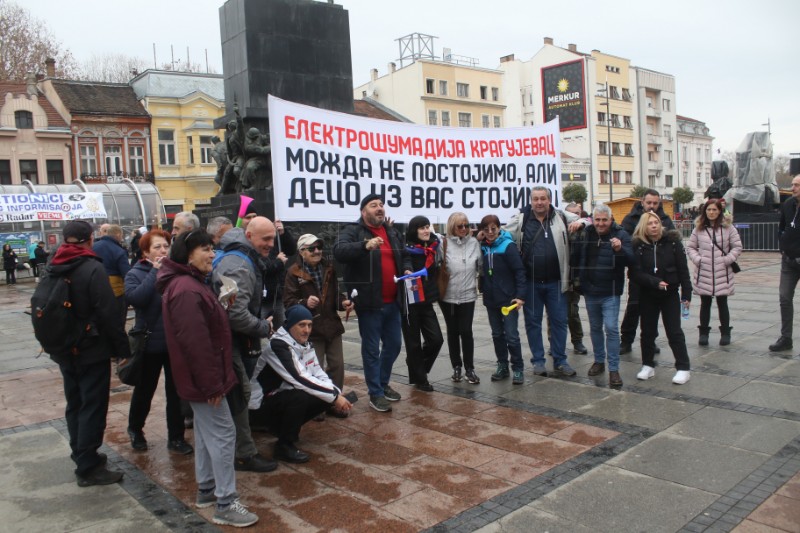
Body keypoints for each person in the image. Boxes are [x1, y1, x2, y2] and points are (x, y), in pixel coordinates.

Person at [157, 230, 259, 528]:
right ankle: (226, 502)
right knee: (224, 434)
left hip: (200, 379)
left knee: (205, 434)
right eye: (206, 250)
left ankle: (206, 491)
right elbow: (196, 344)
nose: (212, 255)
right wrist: (213, 385)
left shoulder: (189, 284)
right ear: (188, 254)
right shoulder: (187, 289)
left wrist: (222, 306)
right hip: (205, 380)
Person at [47, 220, 130, 486]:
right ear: (90, 239)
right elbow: (108, 313)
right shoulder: (92, 268)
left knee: (75, 402)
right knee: (93, 405)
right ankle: (88, 465)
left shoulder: (54, 265)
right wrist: (122, 349)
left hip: (63, 348)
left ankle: (80, 452)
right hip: (91, 348)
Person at [212, 216, 278, 473]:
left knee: (240, 393)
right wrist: (264, 327)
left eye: (273, 238)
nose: (271, 244)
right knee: (239, 394)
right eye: (266, 239)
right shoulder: (239, 264)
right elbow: (236, 314)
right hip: (229, 341)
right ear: (248, 236)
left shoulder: (241, 257)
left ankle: (239, 446)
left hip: (232, 339)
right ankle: (244, 454)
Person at [333, 193, 411, 413]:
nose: (380, 208)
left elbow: (403, 254)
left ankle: (383, 382)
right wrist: (364, 246)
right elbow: (339, 251)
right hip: (370, 303)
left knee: (394, 345)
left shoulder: (392, 232)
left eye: (382, 205)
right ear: (363, 211)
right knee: (371, 350)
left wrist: (407, 268)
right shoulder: (353, 230)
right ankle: (375, 393)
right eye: (374, 205)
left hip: (393, 302)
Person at [249, 305, 353, 463]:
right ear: (290, 325)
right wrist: (333, 397)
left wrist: (335, 393)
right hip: (258, 406)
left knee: (322, 396)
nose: (307, 330)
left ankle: (284, 429)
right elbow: (300, 379)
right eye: (301, 325)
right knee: (302, 395)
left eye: (310, 325)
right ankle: (284, 446)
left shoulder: (304, 343)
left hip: (280, 397)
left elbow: (318, 372)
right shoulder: (278, 345)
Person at [504, 186, 587, 377]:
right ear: (531, 201)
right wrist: (484, 234)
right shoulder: (522, 219)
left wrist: (581, 222)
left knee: (559, 322)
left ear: (549, 200)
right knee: (533, 323)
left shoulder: (561, 216)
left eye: (543, 198)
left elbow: (588, 220)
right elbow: (502, 234)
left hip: (556, 283)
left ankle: (560, 360)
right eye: (535, 199)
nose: (539, 202)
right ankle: (538, 361)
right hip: (531, 284)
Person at [124, 229, 193, 455]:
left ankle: (176, 437)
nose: (163, 251)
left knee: (176, 392)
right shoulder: (136, 273)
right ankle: (135, 429)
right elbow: (137, 298)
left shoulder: (176, 272)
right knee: (145, 390)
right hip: (150, 342)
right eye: (157, 247)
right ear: (145, 252)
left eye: (165, 246)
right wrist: (155, 272)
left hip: (175, 343)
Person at [283, 234, 353, 417]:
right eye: (312, 248)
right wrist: (305, 302)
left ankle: (334, 401)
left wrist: (343, 303)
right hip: (310, 328)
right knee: (315, 368)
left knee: (337, 365)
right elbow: (289, 302)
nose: (317, 251)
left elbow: (336, 295)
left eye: (319, 247)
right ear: (301, 252)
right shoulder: (293, 272)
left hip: (331, 324)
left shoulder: (329, 268)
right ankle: (317, 404)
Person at [574, 204, 634, 387]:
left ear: (611, 219)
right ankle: (599, 361)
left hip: (611, 291)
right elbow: (577, 255)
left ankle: (614, 369)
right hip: (591, 290)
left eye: (604, 220)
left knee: (611, 328)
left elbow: (631, 261)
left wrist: (619, 250)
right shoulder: (587, 232)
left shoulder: (621, 234)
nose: (600, 224)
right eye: (597, 219)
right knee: (595, 328)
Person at [631, 212, 693, 385]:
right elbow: (635, 274)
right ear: (644, 226)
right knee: (647, 332)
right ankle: (648, 365)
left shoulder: (673, 243)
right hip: (648, 294)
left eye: (656, 222)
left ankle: (683, 367)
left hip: (670, 294)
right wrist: (655, 282)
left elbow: (683, 270)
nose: (653, 226)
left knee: (674, 331)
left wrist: (686, 294)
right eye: (649, 223)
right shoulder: (639, 246)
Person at [620, 189, 676, 355]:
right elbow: (625, 241)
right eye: (649, 202)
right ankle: (626, 340)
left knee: (653, 309)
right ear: (642, 202)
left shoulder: (664, 219)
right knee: (634, 305)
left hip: (658, 272)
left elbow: (671, 241)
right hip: (638, 271)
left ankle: (650, 341)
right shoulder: (631, 219)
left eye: (655, 203)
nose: (652, 206)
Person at [686, 199, 743, 346]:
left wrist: (727, 259)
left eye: (714, 210)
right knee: (705, 303)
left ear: (719, 211)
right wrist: (697, 259)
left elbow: (737, 247)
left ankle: (725, 332)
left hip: (722, 271)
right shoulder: (698, 228)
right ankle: (703, 332)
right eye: (709, 210)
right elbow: (690, 247)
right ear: (705, 211)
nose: (711, 212)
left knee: (722, 302)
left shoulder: (728, 228)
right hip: (704, 271)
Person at [479, 215, 526, 384]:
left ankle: (518, 368)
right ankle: (502, 365)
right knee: (497, 334)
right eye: (486, 229)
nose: (490, 232)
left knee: (512, 335)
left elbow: (520, 271)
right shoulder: (484, 247)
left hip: (509, 299)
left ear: (499, 228)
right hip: (491, 299)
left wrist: (520, 296)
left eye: (493, 228)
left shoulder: (508, 246)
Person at [401, 216, 444, 392]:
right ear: (414, 230)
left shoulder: (433, 246)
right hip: (410, 302)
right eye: (421, 228)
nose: (426, 231)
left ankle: (415, 364)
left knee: (436, 340)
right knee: (413, 344)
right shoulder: (407, 249)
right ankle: (420, 379)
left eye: (427, 227)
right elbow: (405, 261)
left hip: (426, 301)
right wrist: (408, 270)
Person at [439, 212, 482, 385]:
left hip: (468, 295)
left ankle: (469, 368)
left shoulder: (474, 243)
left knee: (466, 331)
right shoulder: (443, 244)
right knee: (452, 331)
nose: (464, 229)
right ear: (452, 227)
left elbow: (481, 265)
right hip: (448, 296)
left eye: (466, 225)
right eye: (460, 226)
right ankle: (456, 366)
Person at [770, 174, 800, 353]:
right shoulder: (788, 204)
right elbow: (781, 228)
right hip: (789, 261)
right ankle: (786, 338)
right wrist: (782, 246)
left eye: (796, 185)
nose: (793, 187)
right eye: (792, 184)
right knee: (784, 298)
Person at [92, 224, 130, 325]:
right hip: (115, 292)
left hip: (94, 290)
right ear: (118, 234)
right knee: (117, 322)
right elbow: (126, 273)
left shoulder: (93, 247)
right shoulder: (119, 251)